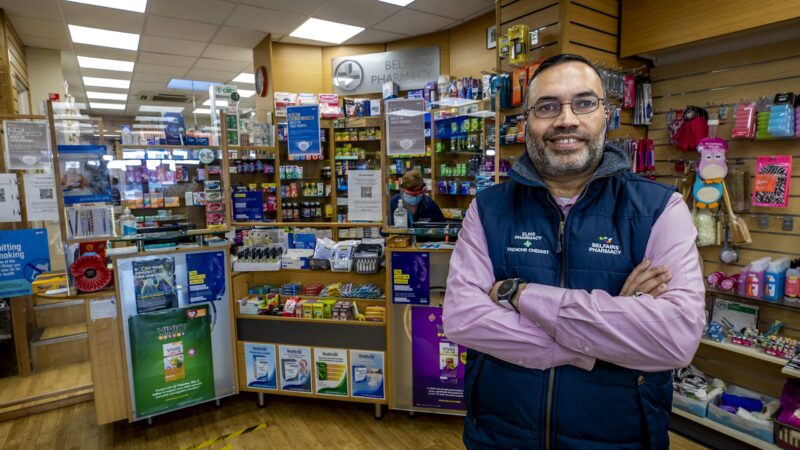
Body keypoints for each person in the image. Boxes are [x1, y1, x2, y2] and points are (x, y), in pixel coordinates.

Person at [442, 54, 705, 449]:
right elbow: (463, 319)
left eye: (584, 103)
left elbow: (676, 339)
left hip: (620, 438)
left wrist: (520, 294)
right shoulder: (488, 208)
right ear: (527, 120)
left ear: (606, 114)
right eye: (548, 106)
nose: (566, 119)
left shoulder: (659, 208)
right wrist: (613, 322)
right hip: (500, 436)